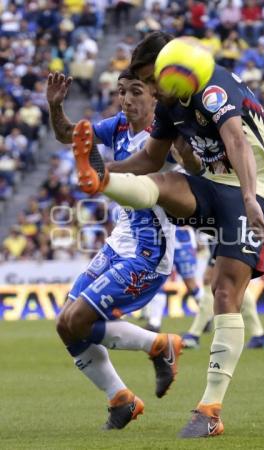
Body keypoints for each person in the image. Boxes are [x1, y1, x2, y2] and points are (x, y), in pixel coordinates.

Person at [54, 31, 264, 438]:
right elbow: (150, 158)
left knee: (224, 293)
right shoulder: (169, 102)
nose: (149, 87)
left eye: (149, 77)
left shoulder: (213, 87)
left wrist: (251, 199)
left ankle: (210, 409)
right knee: (161, 182)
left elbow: (236, 139)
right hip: (214, 182)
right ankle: (101, 182)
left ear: (169, 67)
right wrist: (106, 175)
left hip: (254, 189)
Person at [46, 69, 183, 430]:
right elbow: (68, 135)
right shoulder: (119, 125)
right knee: (65, 324)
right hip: (119, 240)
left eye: (136, 92)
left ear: (156, 97)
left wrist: (104, 172)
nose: (126, 99)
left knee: (79, 321)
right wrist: (55, 107)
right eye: (122, 91)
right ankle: (121, 399)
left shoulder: (167, 135)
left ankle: (159, 344)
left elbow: (172, 167)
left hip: (149, 251)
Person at [182, 241, 264, 349]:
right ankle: (259, 335)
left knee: (209, 284)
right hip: (236, 250)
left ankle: (194, 335)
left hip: (227, 251)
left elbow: (220, 235)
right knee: (238, 288)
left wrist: (212, 263)